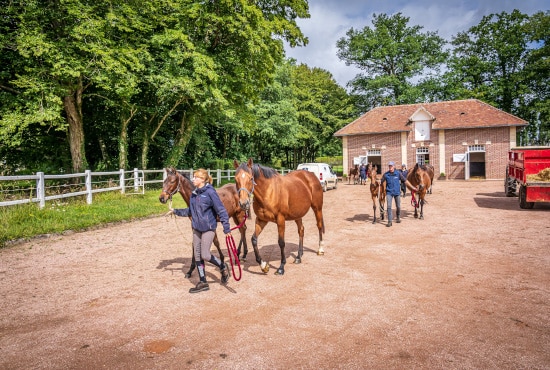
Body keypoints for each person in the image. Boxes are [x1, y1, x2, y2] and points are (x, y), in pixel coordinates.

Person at [166, 169, 232, 293]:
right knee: (197, 255)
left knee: (205, 255)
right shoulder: (194, 194)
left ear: (202, 179)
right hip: (197, 228)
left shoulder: (210, 193)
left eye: (196, 177)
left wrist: (226, 228)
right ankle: (203, 282)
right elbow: (190, 211)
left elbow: (221, 211)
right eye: (194, 177)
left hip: (208, 228)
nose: (193, 180)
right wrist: (175, 211)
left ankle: (223, 266)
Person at [381, 161, 417, 227]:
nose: (390, 167)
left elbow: (405, 181)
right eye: (389, 166)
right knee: (389, 207)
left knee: (398, 206)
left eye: (391, 166)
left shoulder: (398, 173)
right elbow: (381, 182)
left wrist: (413, 188)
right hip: (389, 193)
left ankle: (398, 217)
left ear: (394, 166)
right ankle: (389, 221)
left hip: (397, 193)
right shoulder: (386, 174)